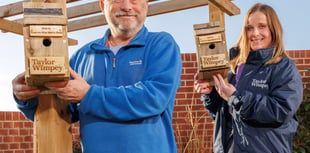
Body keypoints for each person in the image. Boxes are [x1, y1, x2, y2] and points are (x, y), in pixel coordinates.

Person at [12, 0, 182, 152]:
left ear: (146, 4)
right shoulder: (82, 56)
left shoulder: (161, 44)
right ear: (102, 5)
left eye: (134, 0)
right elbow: (62, 112)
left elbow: (153, 98)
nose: (126, 6)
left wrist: (88, 95)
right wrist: (28, 98)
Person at [194, 3, 303, 153]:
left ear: (273, 29)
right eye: (249, 28)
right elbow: (221, 115)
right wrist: (210, 94)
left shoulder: (283, 68)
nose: (255, 33)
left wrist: (236, 98)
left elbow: (280, 111)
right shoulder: (235, 67)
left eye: (262, 26)